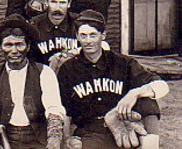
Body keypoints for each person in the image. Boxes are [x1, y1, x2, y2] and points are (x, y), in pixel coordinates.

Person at [58, 10, 170, 148]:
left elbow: (161, 86)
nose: (88, 41)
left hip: (123, 124)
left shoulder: (122, 63)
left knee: (147, 99)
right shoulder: (68, 68)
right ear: (77, 37)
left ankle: (151, 144)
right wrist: (66, 139)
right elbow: (63, 109)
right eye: (83, 36)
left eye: (93, 35)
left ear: (103, 35)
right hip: (89, 131)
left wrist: (134, 94)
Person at [0, 14, 65, 149]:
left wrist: (53, 141)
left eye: (19, 45)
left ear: (27, 46)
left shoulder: (44, 72)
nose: (14, 51)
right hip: (5, 138)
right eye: (8, 45)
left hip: (39, 139)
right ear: (0, 47)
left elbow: (54, 109)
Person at [28, 0, 78, 68]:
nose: (57, 8)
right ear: (46, 2)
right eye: (53, 2)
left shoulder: (78, 23)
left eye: (62, 3)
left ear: (69, 4)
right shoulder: (34, 26)